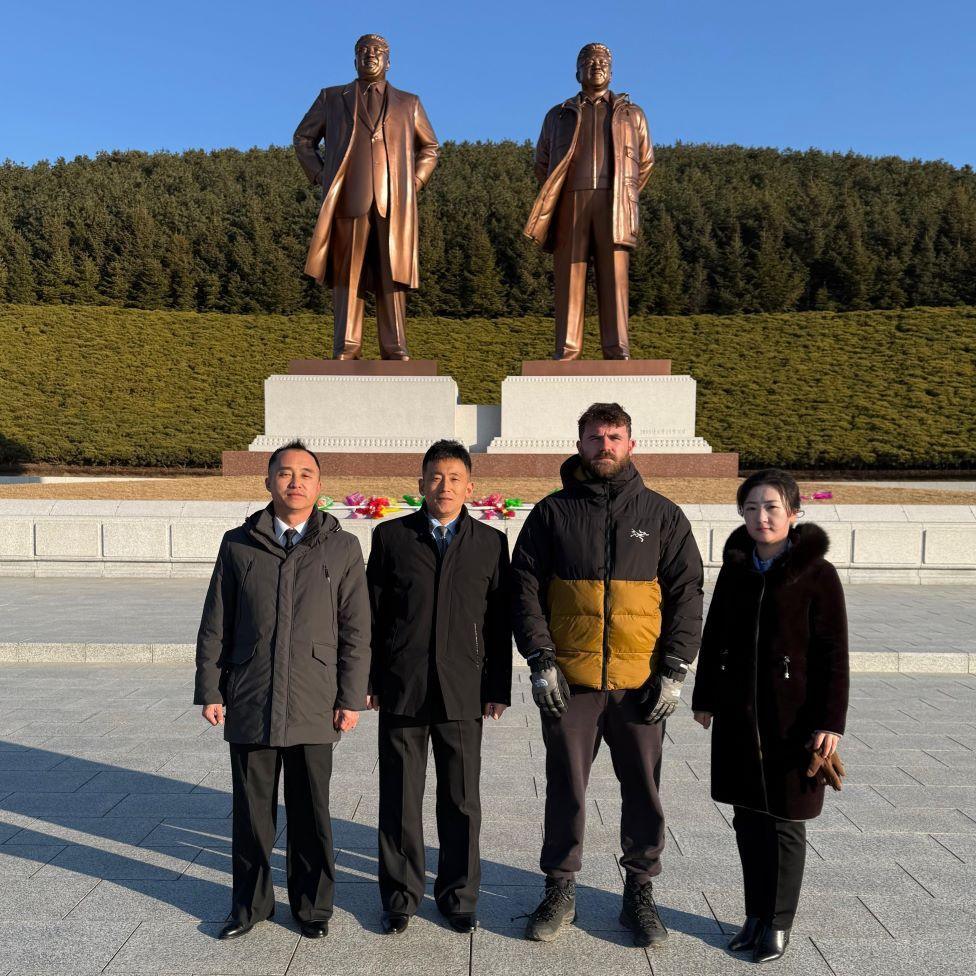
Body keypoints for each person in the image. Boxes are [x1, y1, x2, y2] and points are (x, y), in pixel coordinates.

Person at [510, 402, 703, 947]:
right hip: (570, 684)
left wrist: (674, 669)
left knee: (643, 790)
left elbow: (688, 595)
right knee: (566, 788)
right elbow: (523, 588)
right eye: (594, 438)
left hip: (640, 684)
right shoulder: (551, 514)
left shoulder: (663, 516)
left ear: (632, 445)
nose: (605, 447)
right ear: (579, 445)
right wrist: (541, 659)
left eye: (614, 437)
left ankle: (639, 892)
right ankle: (559, 888)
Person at [194, 441, 371, 940]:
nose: (296, 482)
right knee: (252, 814)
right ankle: (250, 906)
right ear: (268, 480)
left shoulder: (342, 546)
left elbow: (357, 630)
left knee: (312, 811)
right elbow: (216, 623)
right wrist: (211, 687)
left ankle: (313, 908)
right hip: (252, 694)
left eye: (306, 474)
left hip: (316, 698)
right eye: (286, 473)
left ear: (320, 485)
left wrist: (350, 697)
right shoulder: (238, 543)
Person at [691, 469, 849, 963]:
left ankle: (778, 922)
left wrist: (830, 721)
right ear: (741, 513)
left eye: (773, 507)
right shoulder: (737, 567)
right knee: (747, 820)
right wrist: (705, 697)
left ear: (794, 514)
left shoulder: (817, 573)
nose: (762, 517)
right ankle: (755, 915)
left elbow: (833, 653)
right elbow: (715, 633)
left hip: (793, 719)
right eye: (752, 507)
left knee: (784, 822)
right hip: (740, 713)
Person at [366, 440, 512, 935]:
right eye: (434, 477)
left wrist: (498, 687)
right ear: (420, 484)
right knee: (400, 797)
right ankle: (401, 897)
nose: (443, 486)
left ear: (470, 487)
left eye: (453, 478)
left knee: (461, 799)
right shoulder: (390, 538)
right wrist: (371, 679)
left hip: (464, 689)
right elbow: (373, 614)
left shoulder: (490, 543)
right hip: (403, 687)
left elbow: (498, 623)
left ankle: (459, 897)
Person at [293, 33, 439, 361]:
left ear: (389, 61)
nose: (370, 55)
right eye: (363, 50)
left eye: (377, 51)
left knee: (393, 273)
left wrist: (413, 182)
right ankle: (347, 346)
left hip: (394, 202)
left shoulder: (409, 103)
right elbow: (303, 139)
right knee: (348, 274)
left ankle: (395, 346)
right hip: (349, 199)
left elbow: (430, 147)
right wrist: (321, 175)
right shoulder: (332, 98)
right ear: (354, 59)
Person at [524, 43, 654, 361]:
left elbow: (646, 161)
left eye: (602, 62)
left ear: (611, 70)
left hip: (614, 204)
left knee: (615, 278)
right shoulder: (558, 115)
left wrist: (625, 193)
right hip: (571, 201)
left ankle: (617, 347)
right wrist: (561, 190)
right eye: (589, 61)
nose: (596, 66)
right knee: (570, 273)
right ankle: (567, 348)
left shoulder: (631, 114)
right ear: (577, 71)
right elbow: (542, 162)